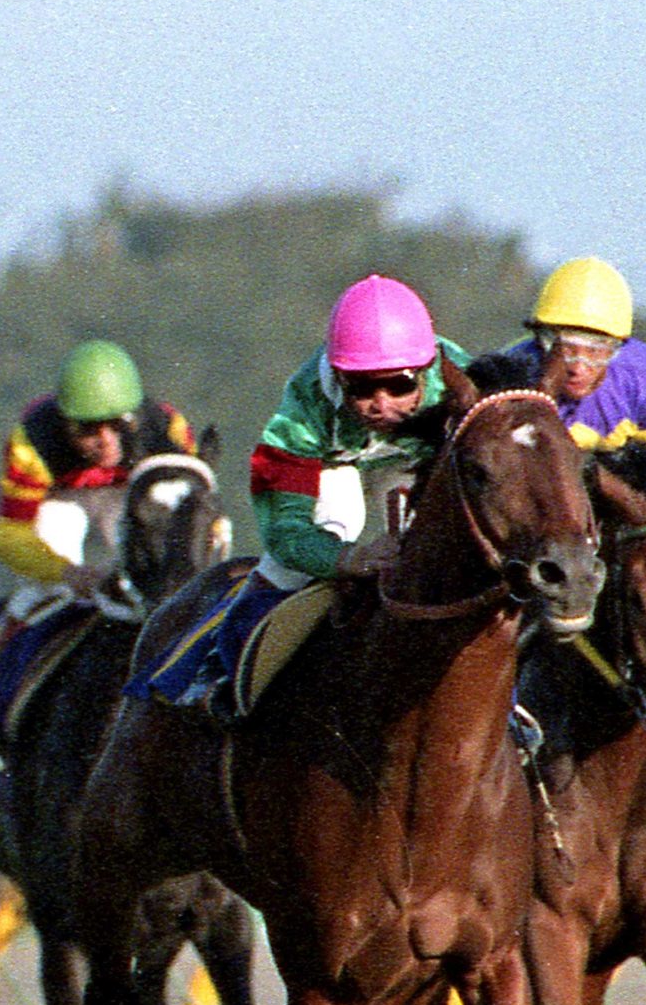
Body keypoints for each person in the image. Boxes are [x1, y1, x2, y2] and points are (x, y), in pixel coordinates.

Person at [134, 275, 469, 716]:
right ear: (338, 377)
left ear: (427, 370)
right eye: (362, 388)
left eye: (400, 386)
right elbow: (285, 530)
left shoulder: (462, 380)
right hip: (336, 466)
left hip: (416, 462)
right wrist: (346, 560)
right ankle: (219, 671)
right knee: (315, 546)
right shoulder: (302, 410)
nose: (382, 404)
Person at [0, 340, 198, 623]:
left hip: (129, 494)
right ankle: (15, 641)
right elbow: (10, 535)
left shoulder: (168, 431)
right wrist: (66, 572)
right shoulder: (32, 443)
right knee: (50, 583)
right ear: (64, 423)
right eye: (87, 429)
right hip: (62, 499)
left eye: (118, 424)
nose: (106, 442)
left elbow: (192, 517)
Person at [498, 256, 646, 451]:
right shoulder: (509, 377)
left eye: (595, 351)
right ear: (540, 341)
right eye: (564, 350)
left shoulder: (644, 375)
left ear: (619, 347)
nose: (577, 367)